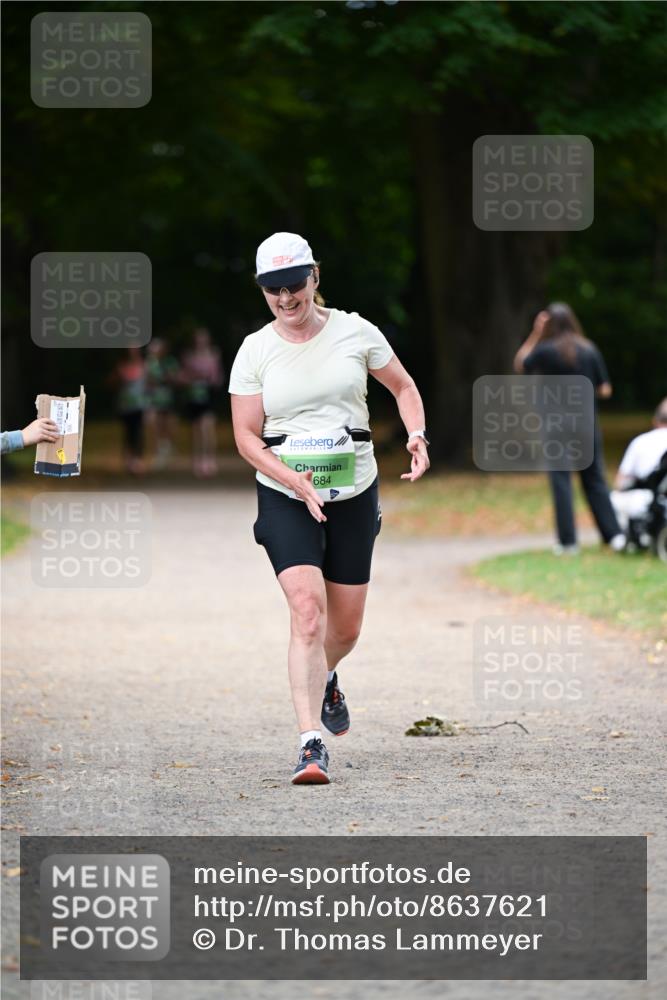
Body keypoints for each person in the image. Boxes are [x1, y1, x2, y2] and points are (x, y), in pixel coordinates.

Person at [229, 232, 430, 785]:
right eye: (272, 290)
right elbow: (246, 437)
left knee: (345, 628)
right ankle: (310, 744)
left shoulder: (355, 331)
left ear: (314, 276)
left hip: (354, 491)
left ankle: (328, 675)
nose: (285, 299)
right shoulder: (255, 350)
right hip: (286, 493)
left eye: (293, 285)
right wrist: (290, 477)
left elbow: (404, 387)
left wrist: (416, 434)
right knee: (308, 613)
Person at [514, 302, 625, 555]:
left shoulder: (545, 351)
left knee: (561, 480)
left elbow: (520, 363)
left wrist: (536, 333)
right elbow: (605, 389)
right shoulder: (588, 349)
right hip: (585, 424)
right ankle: (614, 536)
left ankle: (568, 542)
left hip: (555, 425)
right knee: (594, 478)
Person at [610, 398, 667, 534]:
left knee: (612, 499)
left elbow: (620, 481)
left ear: (654, 420)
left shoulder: (640, 442)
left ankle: (621, 537)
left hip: (643, 499)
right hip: (660, 501)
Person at [180, 327, 224, 477]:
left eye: (203, 338)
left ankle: (209, 459)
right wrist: (192, 378)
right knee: (196, 431)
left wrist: (210, 379)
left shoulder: (214, 355)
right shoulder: (189, 356)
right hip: (193, 397)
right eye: (198, 338)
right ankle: (197, 460)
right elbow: (183, 376)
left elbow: (218, 377)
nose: (201, 341)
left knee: (207, 428)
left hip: (208, 397)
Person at [108, 346, 148, 475]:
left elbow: (150, 384)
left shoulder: (144, 366)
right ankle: (128, 459)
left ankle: (138, 460)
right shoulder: (121, 366)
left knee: (139, 432)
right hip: (125, 405)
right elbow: (111, 382)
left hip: (140, 405)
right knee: (128, 432)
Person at [145, 337, 180, 470]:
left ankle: (167, 448)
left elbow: (175, 378)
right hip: (153, 400)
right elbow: (147, 381)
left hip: (169, 399)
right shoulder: (149, 363)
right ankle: (160, 451)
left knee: (168, 425)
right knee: (154, 423)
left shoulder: (170, 362)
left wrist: (165, 378)